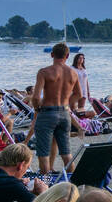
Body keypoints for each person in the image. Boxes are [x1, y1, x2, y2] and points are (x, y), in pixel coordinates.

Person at [32, 43, 79, 176]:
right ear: (68, 56)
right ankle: (73, 183)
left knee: (43, 153)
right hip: (64, 113)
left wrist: (37, 108)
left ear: (52, 54)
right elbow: (78, 94)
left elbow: (35, 97)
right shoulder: (73, 73)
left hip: (47, 112)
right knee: (66, 153)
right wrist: (66, 104)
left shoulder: (44, 72)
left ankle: (45, 187)